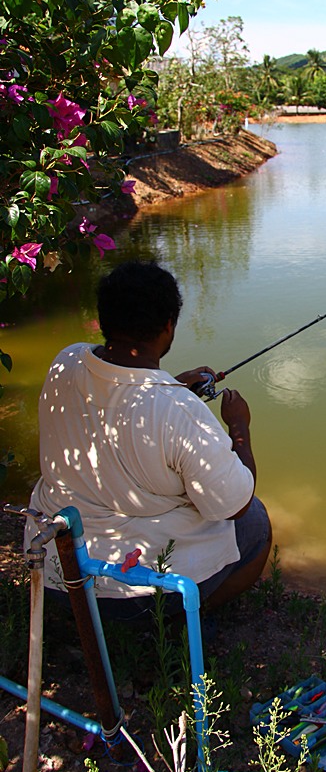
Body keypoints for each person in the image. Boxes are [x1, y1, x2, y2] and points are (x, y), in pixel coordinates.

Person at [26, 260, 272, 621]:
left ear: (104, 318)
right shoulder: (181, 411)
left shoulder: (66, 362)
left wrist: (168, 383)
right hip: (136, 594)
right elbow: (233, 505)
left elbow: (118, 391)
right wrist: (240, 428)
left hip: (56, 570)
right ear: (169, 325)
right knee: (256, 520)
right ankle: (177, 623)